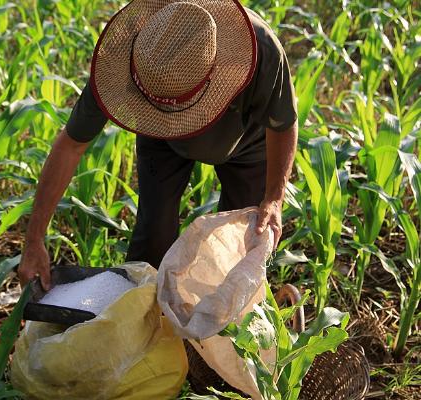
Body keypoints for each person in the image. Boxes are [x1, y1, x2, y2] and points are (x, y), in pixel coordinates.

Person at [18, 0, 298, 290]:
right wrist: (34, 239)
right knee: (152, 242)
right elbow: (71, 146)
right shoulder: (127, 55)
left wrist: (274, 198)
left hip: (247, 145)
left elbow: (283, 123)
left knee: (235, 252)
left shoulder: (259, 50)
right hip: (163, 142)